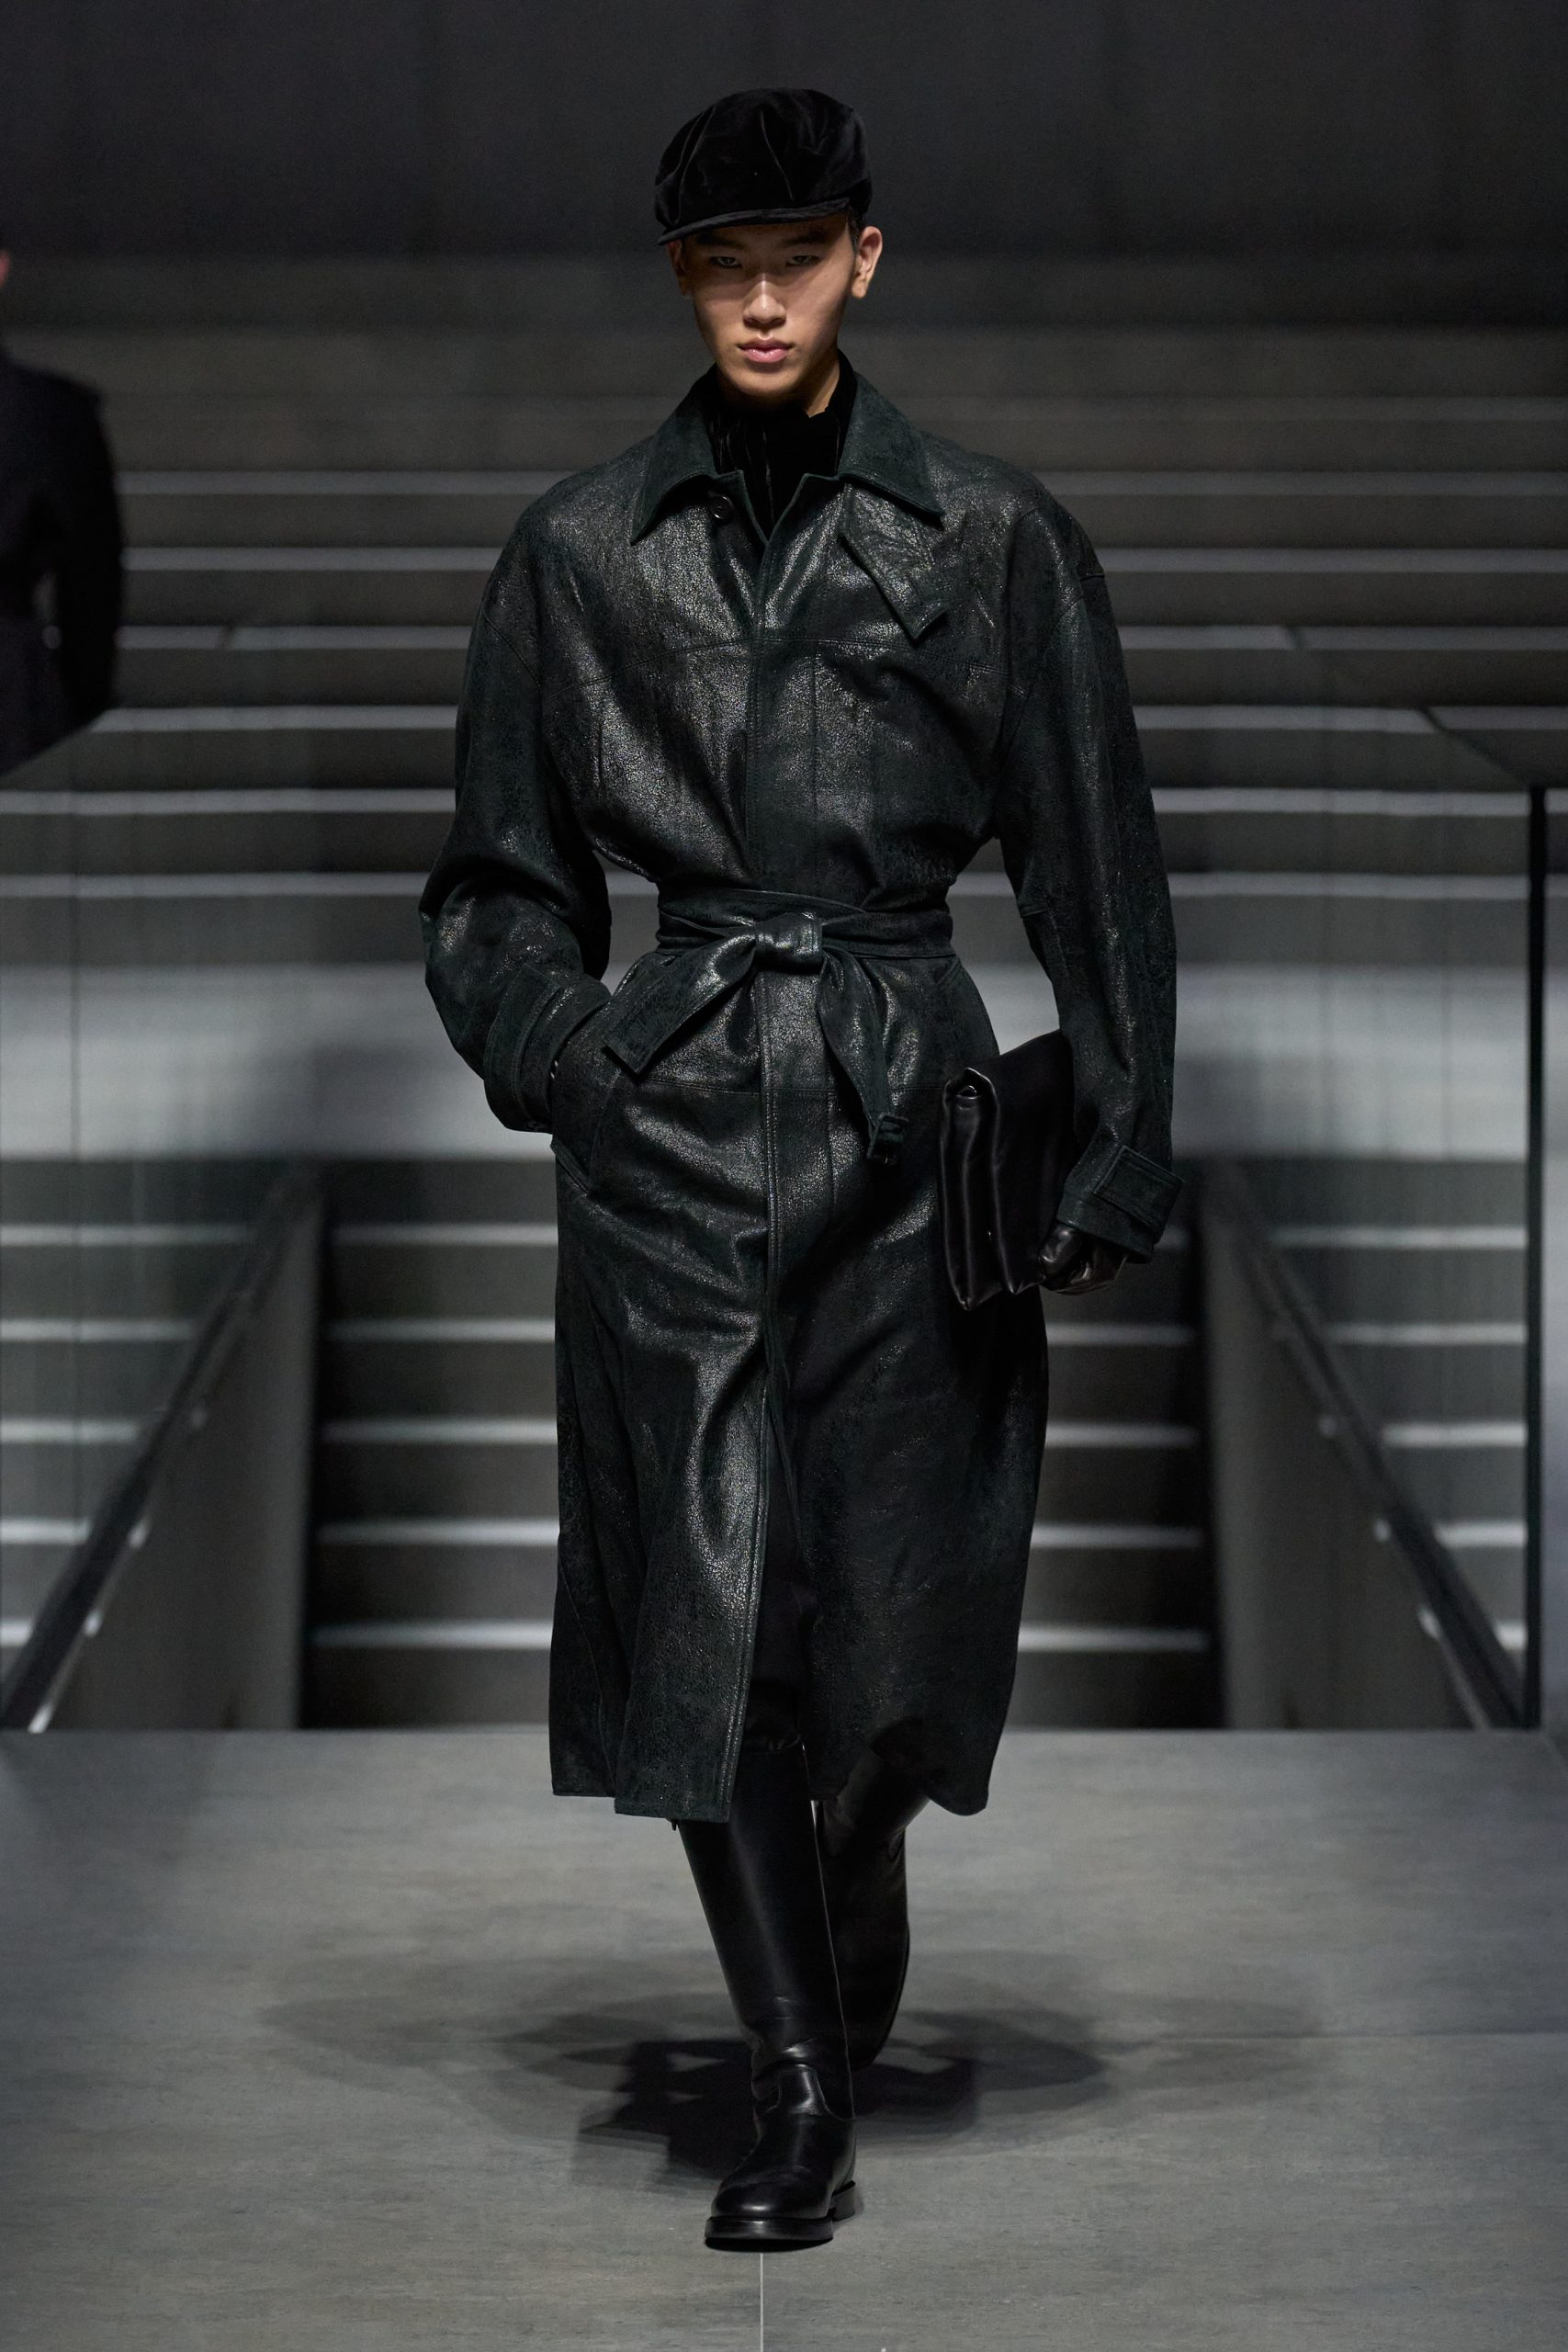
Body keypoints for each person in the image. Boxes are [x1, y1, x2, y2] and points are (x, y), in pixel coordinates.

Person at [420, 86, 1179, 2253]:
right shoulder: (579, 552)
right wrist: (575, 1060)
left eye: (795, 257)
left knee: (894, 1617)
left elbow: (1095, 863)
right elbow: (494, 886)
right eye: (721, 265)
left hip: (905, 1118)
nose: (759, 300)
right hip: (669, 1129)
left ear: (863, 257)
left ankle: (847, 1878)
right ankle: (795, 2079)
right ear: (683, 277)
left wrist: (1116, 1139)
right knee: (711, 1607)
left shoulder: (988, 538)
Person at [0, 232, 123, 777]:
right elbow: (92, 587)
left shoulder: (55, 415)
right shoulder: (55, 415)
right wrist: (82, 698)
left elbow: (92, 583)